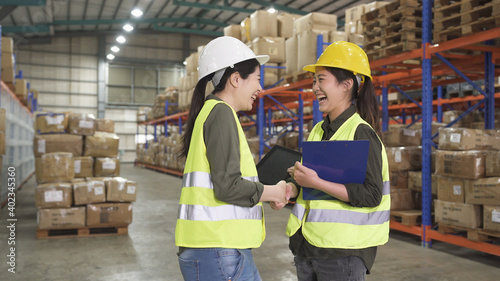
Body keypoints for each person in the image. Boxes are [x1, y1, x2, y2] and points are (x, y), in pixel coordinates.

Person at [175, 36, 291, 281]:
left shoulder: (212, 112)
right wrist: (275, 192)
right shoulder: (221, 114)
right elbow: (228, 186)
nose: (260, 89)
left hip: (215, 249)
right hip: (218, 250)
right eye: (257, 79)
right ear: (235, 79)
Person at [273, 41, 390, 281]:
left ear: (346, 85)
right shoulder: (318, 129)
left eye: (321, 79)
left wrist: (317, 183)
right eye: (314, 81)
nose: (315, 87)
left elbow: (371, 194)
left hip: (341, 253)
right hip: (308, 246)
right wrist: (291, 188)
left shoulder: (360, 132)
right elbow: (309, 179)